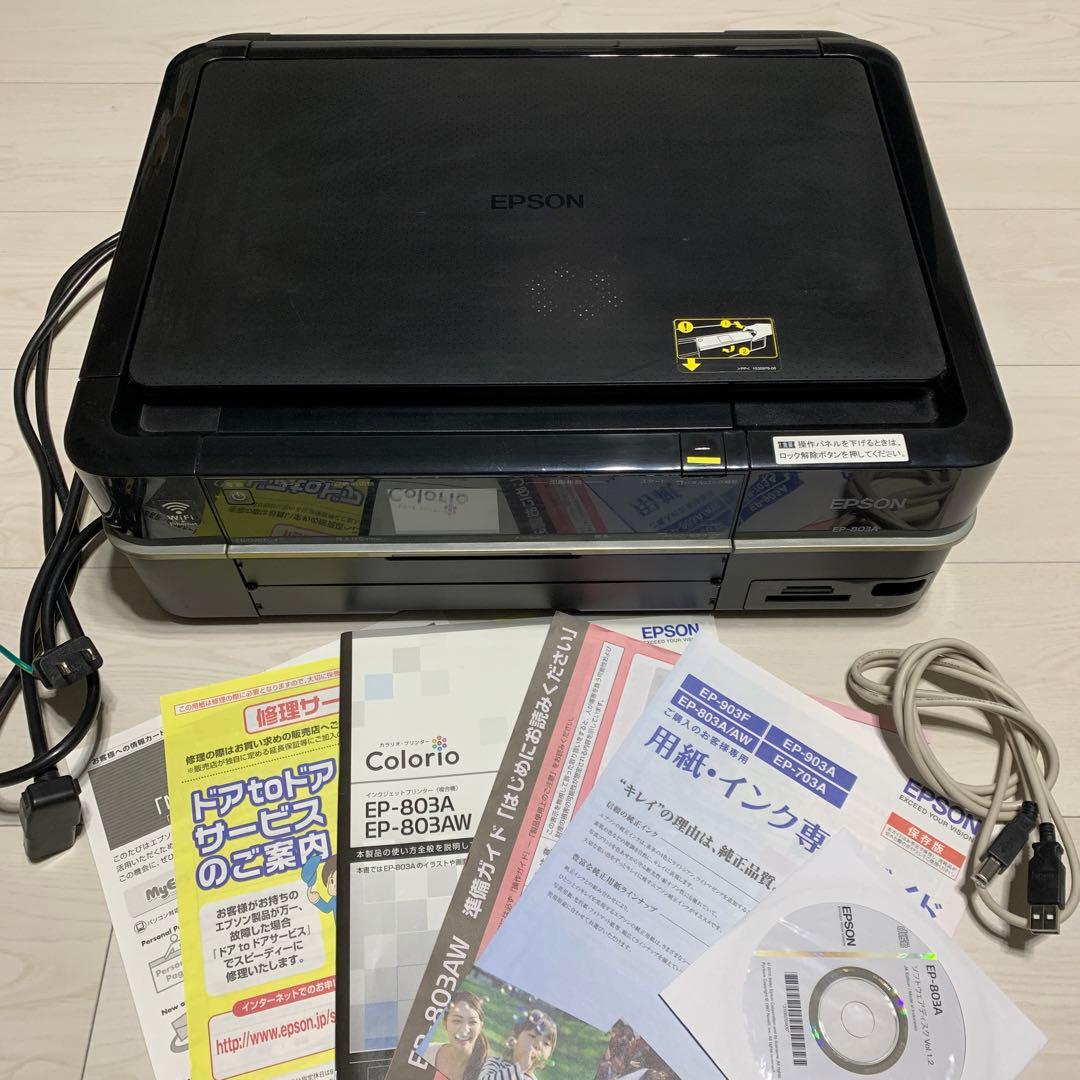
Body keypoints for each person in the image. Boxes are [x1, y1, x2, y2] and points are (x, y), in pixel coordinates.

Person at [421, 991, 488, 1080]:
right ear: (445, 1024)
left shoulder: (489, 1073)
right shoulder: (425, 1052)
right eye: (457, 1020)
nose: (464, 1030)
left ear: (480, 1027)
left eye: (472, 1022)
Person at [479, 1010, 558, 1079]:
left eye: (546, 1043)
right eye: (532, 1036)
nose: (539, 1045)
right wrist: (520, 1068)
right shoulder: (495, 1063)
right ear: (515, 1038)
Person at [302, 852, 337, 920]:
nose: (335, 886)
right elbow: (326, 908)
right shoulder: (334, 900)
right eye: (332, 881)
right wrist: (316, 900)